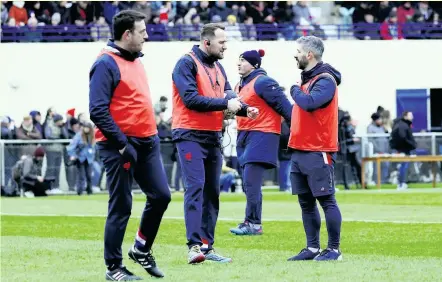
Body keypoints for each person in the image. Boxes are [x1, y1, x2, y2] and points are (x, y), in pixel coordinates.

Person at [89, 10, 171, 280]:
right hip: (121, 146)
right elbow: (97, 111)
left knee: (161, 196)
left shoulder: (136, 60)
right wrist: (123, 144)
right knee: (121, 205)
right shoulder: (105, 63)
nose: (147, 35)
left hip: (148, 141)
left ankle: (141, 249)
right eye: (142, 31)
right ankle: (113, 268)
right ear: (127, 35)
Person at [171, 23, 258, 264]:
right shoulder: (185, 63)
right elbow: (190, 99)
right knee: (196, 187)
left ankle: (207, 247)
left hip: (212, 136)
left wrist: (243, 108)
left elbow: (228, 94)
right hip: (189, 134)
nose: (226, 47)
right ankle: (193, 246)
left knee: (212, 192)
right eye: (222, 43)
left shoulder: (218, 66)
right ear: (207, 42)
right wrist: (224, 104)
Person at [287, 36, 343, 261]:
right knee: (305, 202)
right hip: (300, 149)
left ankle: (334, 249)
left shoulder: (325, 80)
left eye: (298, 51)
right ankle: (312, 248)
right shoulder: (308, 80)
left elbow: (310, 103)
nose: (295, 55)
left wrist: (292, 90)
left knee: (326, 200)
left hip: (317, 149)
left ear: (309, 54)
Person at [229, 49, 292, 236]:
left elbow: (286, 108)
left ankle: (253, 223)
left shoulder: (263, 82)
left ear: (255, 65)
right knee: (249, 182)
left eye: (243, 61)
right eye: (238, 60)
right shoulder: (238, 86)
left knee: (251, 180)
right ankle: (252, 222)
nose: (239, 64)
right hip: (244, 135)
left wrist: (298, 132)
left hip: (262, 134)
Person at [66, 122, 96, 195]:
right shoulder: (79, 135)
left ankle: (89, 190)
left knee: (89, 175)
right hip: (80, 158)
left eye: (88, 127)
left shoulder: (92, 136)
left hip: (89, 159)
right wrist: (73, 155)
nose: (86, 129)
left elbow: (93, 148)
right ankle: (80, 191)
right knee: (81, 176)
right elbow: (71, 147)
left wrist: (93, 155)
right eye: (85, 127)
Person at [390, 111, 417, 190]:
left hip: (402, 149)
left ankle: (402, 182)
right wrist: (412, 145)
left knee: (403, 166)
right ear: (405, 116)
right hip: (403, 150)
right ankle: (401, 183)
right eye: (410, 115)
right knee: (403, 166)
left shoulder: (402, 124)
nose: (412, 117)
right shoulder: (403, 125)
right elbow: (403, 138)